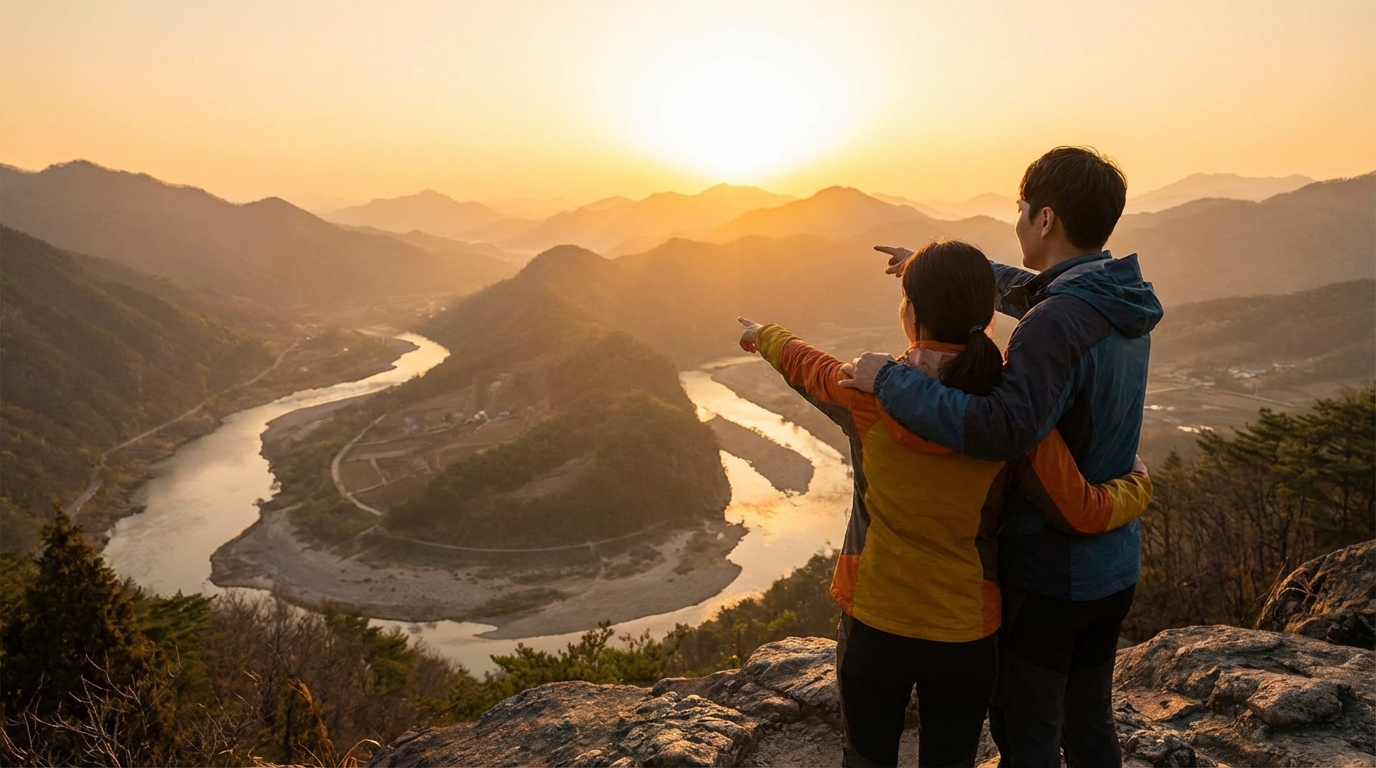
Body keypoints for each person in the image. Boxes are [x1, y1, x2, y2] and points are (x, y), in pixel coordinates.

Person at [737, 238, 1152, 768]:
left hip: (875, 620)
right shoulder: (1014, 420)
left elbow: (807, 365)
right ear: (989, 317)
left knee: (865, 759)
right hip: (966, 633)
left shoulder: (866, 393)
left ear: (910, 316)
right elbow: (1082, 510)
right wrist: (1137, 486)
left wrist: (762, 335)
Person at [841, 147, 1162, 767]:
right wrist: (930, 271)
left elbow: (1001, 428)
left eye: (1020, 209)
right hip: (1112, 563)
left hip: (1051, 571)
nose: (1016, 220)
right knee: (1090, 723)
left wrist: (888, 380)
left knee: (1029, 732)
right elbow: (1039, 295)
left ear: (1044, 220)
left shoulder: (1055, 322)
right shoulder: (1119, 297)